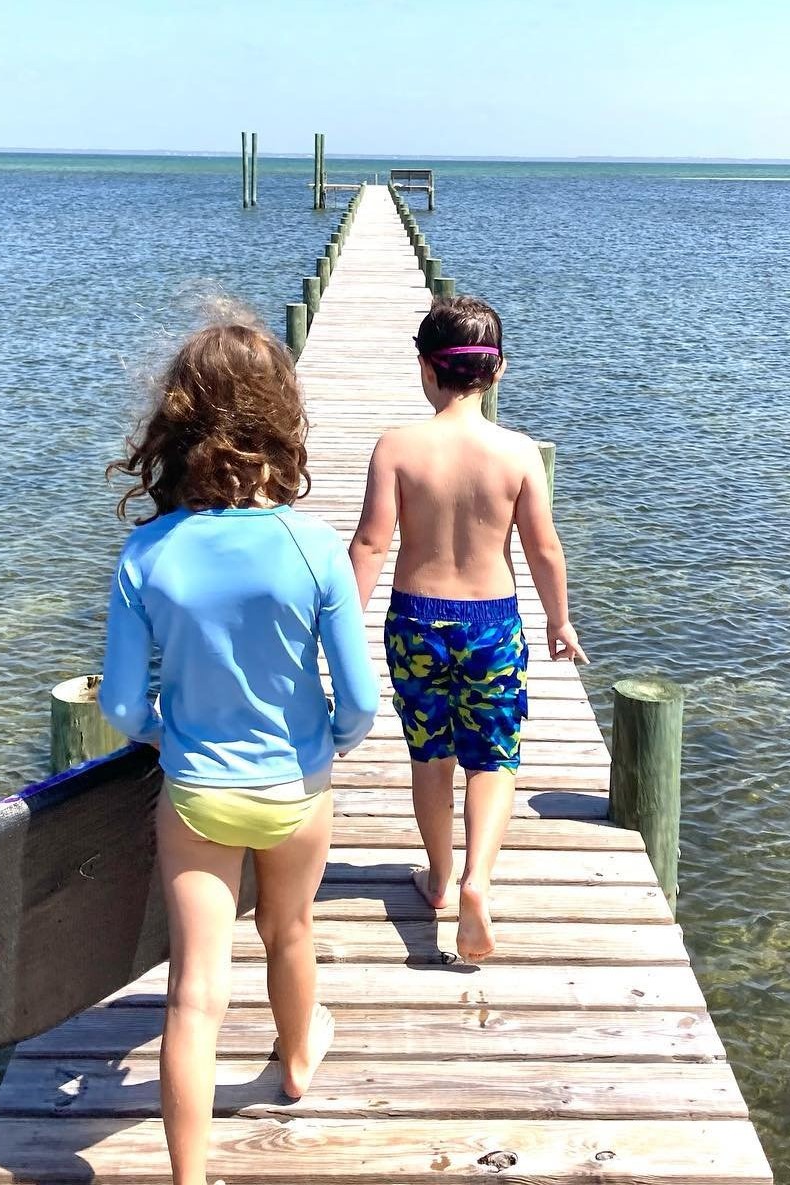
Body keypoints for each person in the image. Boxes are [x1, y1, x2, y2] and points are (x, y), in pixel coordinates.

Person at [99, 319, 378, 1185]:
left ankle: (190, 1178)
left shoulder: (147, 552)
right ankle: (295, 1063)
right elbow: (362, 700)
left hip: (194, 792)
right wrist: (325, 744)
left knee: (194, 992)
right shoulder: (315, 545)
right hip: (296, 784)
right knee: (289, 929)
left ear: (179, 424)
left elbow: (118, 703)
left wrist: (163, 731)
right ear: (280, 419)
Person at [347, 295, 587, 964]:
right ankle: (480, 878)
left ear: (426, 369)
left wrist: (336, 633)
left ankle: (440, 877)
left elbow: (369, 545)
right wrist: (559, 619)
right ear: (499, 370)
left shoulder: (397, 447)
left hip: (417, 618)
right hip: (492, 623)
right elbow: (545, 549)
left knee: (431, 753)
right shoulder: (516, 454)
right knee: (495, 754)